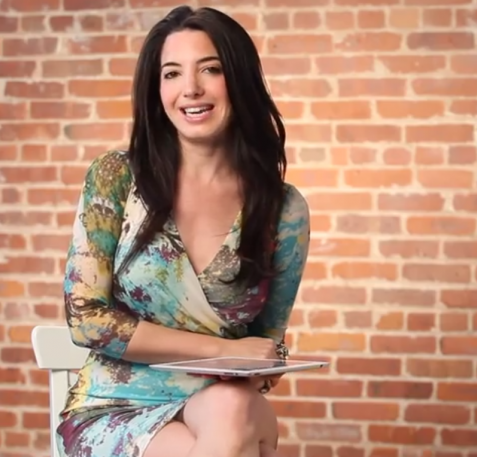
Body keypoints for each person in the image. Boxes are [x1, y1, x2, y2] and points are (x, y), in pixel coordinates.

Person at [57, 5, 310, 457]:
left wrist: (263, 363)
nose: (190, 88)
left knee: (236, 408)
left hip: (220, 408)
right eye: (171, 74)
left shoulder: (282, 210)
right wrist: (219, 351)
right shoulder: (117, 177)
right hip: (115, 407)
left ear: (240, 79)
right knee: (240, 433)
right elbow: (87, 319)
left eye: (210, 69)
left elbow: (265, 348)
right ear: (156, 91)